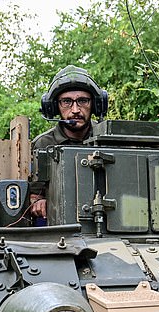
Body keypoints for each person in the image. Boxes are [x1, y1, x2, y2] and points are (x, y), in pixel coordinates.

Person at [30, 65, 107, 219]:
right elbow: (33, 195)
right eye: (66, 102)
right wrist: (39, 202)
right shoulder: (43, 144)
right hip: (60, 225)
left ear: (95, 104)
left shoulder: (107, 138)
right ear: (54, 107)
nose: (75, 110)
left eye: (83, 101)